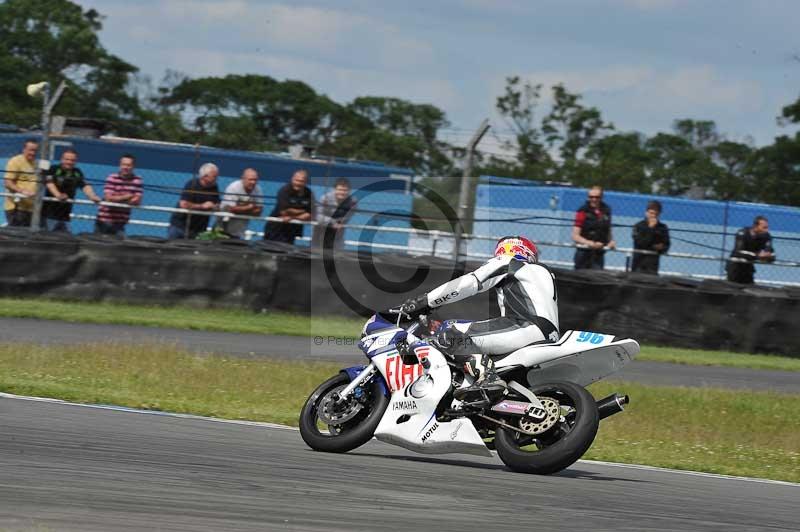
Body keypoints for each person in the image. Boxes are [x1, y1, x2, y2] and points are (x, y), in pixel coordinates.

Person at [400, 236, 558, 402]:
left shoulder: (508, 262)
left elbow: (470, 283)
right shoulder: (544, 273)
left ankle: (487, 377)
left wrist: (425, 301)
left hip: (523, 326)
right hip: (549, 335)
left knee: (449, 332)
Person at [42, 148, 101, 232]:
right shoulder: (54, 169)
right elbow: (49, 183)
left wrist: (92, 196)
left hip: (65, 216)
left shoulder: (77, 172)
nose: (69, 162)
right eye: (67, 159)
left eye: (72, 160)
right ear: (61, 159)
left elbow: (84, 185)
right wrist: (58, 195)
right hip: (49, 215)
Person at [167, 163, 221, 240]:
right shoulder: (192, 184)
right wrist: (202, 206)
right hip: (181, 226)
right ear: (205, 176)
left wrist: (214, 207)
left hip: (199, 229)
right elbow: (184, 204)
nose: (216, 179)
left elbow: (217, 204)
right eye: (214, 177)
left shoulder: (214, 188)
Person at [95, 154, 143, 236]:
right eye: (123, 164)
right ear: (120, 165)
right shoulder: (112, 178)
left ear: (133, 166)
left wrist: (117, 199)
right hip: (104, 220)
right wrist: (127, 197)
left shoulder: (137, 180)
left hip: (121, 222)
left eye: (128, 165)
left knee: (118, 246)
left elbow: (137, 201)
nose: (126, 167)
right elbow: (108, 199)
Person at [263, 169, 314, 244]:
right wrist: (302, 211)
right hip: (276, 228)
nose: (298, 183)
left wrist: (292, 217)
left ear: (306, 182)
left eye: (301, 181)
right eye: (296, 180)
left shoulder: (309, 193)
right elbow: (284, 212)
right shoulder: (285, 190)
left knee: (287, 252)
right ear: (292, 179)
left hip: (292, 230)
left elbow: (309, 215)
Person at [572, 186, 615, 270]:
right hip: (584, 252)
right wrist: (591, 244)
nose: (594, 199)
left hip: (599, 253)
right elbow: (575, 236)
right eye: (591, 197)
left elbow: (608, 229)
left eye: (597, 197)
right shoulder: (582, 211)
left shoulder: (606, 210)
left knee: (597, 278)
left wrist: (611, 241)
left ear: (601, 197)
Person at [726, 216, 775, 284]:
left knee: (749, 287)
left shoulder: (766, 236)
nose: (766, 230)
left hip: (748, 266)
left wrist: (768, 256)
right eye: (764, 227)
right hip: (735, 266)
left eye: (767, 227)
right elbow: (739, 252)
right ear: (755, 226)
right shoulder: (742, 233)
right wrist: (757, 255)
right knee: (732, 286)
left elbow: (771, 253)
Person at [312, 177, 357, 250]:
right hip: (322, 227)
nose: (342, 192)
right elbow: (318, 215)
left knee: (336, 250)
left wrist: (339, 223)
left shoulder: (353, 201)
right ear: (334, 189)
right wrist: (332, 222)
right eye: (340, 190)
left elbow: (349, 215)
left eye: (345, 190)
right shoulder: (325, 198)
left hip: (338, 229)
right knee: (317, 249)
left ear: (349, 191)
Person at [218, 168, 263, 239]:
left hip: (239, 231)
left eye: (255, 180)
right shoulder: (234, 187)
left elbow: (259, 211)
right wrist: (249, 207)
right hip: (223, 228)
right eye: (250, 179)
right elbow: (230, 209)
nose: (253, 182)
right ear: (243, 179)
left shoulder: (257, 189)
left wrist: (240, 209)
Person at [3, 139, 39, 227]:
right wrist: (22, 191)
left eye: (35, 150)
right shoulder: (16, 161)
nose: (33, 153)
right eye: (31, 150)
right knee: (16, 236)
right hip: (17, 208)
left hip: (31, 209)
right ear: (24, 149)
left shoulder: (37, 164)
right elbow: (8, 182)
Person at [631, 200, 670, 274]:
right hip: (638, 264)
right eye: (651, 213)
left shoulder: (663, 227)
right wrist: (650, 228)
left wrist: (660, 247)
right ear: (646, 213)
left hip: (653, 266)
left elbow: (666, 246)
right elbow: (641, 243)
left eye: (656, 214)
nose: (653, 216)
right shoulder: (638, 226)